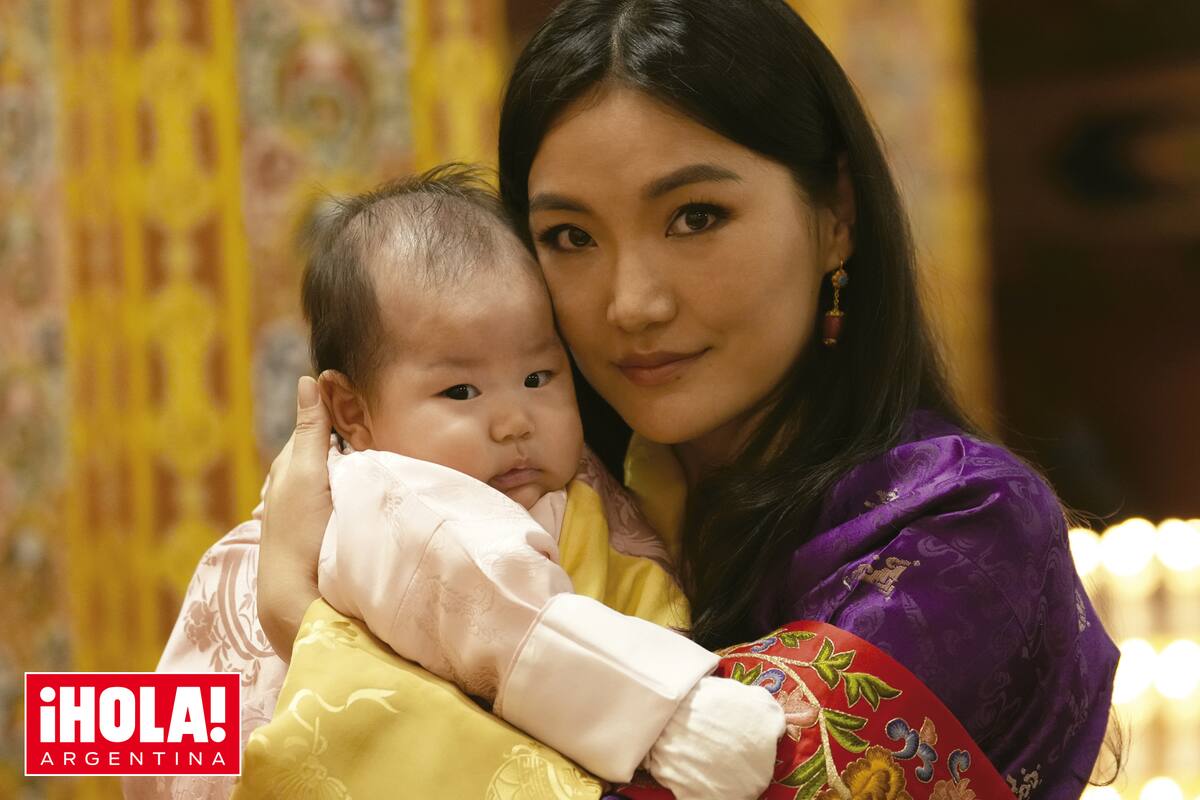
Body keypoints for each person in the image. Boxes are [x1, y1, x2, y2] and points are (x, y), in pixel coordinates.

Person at [142, 1, 1119, 799]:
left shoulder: (961, 524)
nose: (631, 302)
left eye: (697, 216)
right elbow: (138, 738)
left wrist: (302, 620)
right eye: (570, 236)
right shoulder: (552, 486)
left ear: (836, 215)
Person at [292, 166, 785, 796]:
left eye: (538, 377)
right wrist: (671, 721)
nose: (513, 422)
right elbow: (496, 610)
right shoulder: (393, 498)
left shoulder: (587, 476)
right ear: (354, 414)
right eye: (460, 391)